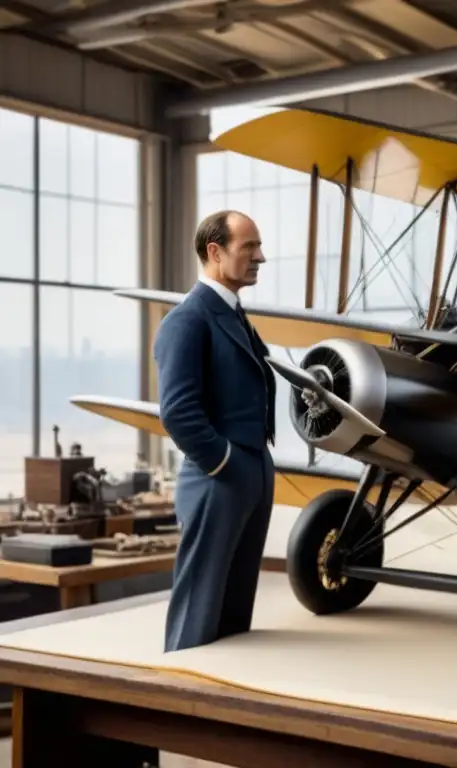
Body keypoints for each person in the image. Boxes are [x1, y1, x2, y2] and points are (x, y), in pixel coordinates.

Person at [154, 210, 277, 652]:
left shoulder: (233, 313)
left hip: (250, 469)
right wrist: (226, 463)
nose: (260, 256)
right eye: (249, 247)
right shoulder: (188, 320)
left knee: (234, 610)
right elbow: (178, 412)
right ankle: (178, 702)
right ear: (215, 251)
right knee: (198, 612)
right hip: (218, 476)